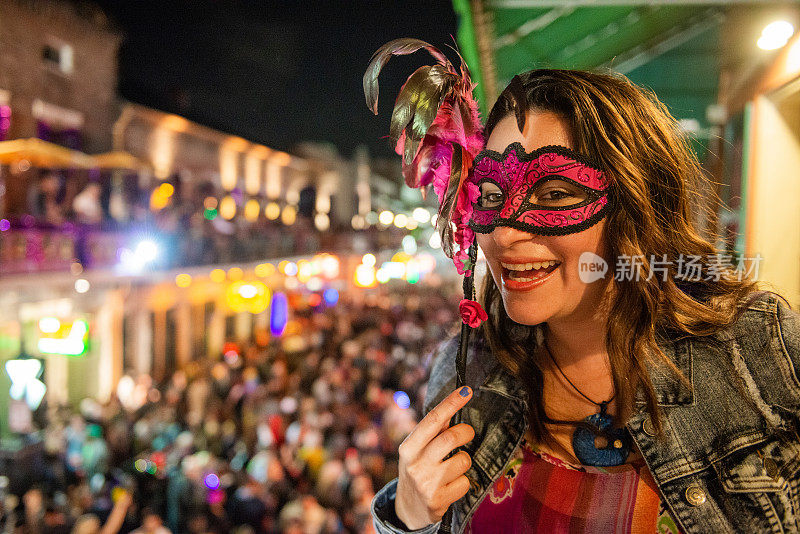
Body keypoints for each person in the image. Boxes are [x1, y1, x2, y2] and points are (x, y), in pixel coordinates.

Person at [368, 64, 800, 532]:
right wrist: (409, 518)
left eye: (554, 193)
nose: (505, 232)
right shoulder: (466, 370)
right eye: (490, 195)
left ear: (637, 203)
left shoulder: (763, 353)